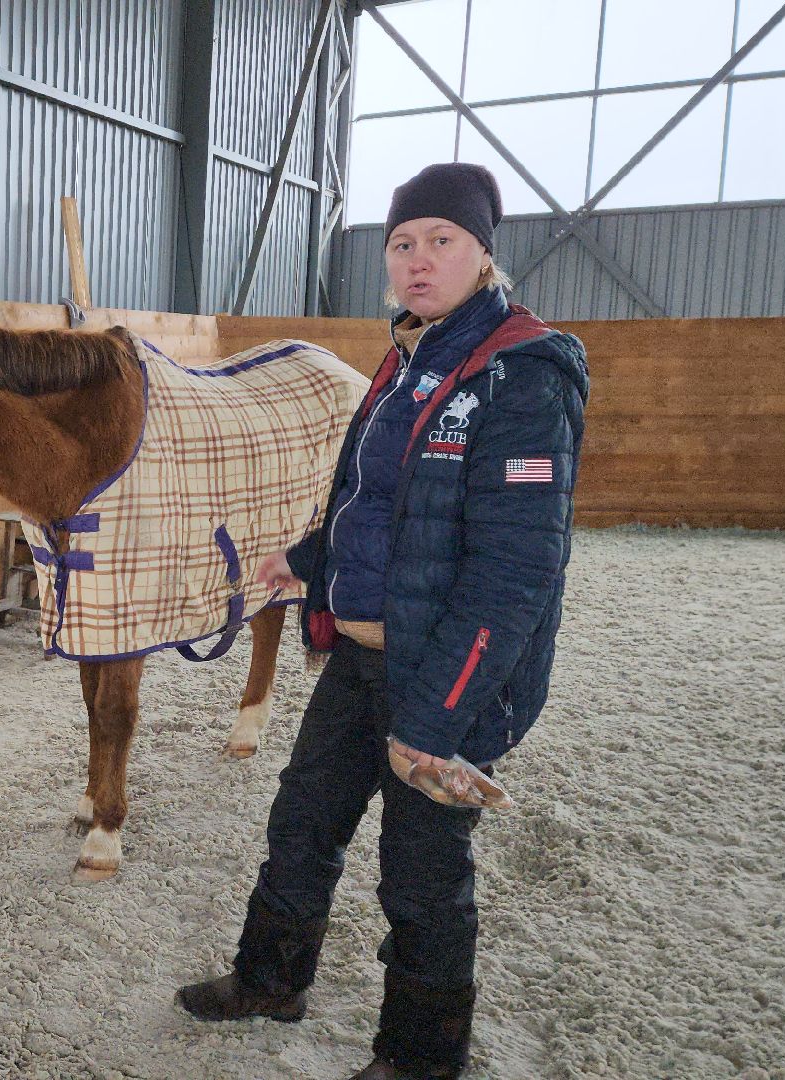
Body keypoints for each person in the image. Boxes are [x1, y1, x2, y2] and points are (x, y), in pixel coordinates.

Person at [174, 163, 588, 1079]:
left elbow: (515, 575)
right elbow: (378, 507)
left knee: (422, 875)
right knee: (302, 822)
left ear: (484, 254)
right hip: (362, 656)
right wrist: (309, 560)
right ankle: (271, 982)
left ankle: (422, 1059)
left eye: (442, 240)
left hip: (444, 675)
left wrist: (436, 721)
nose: (418, 259)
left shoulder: (520, 375)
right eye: (402, 243)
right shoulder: (407, 362)